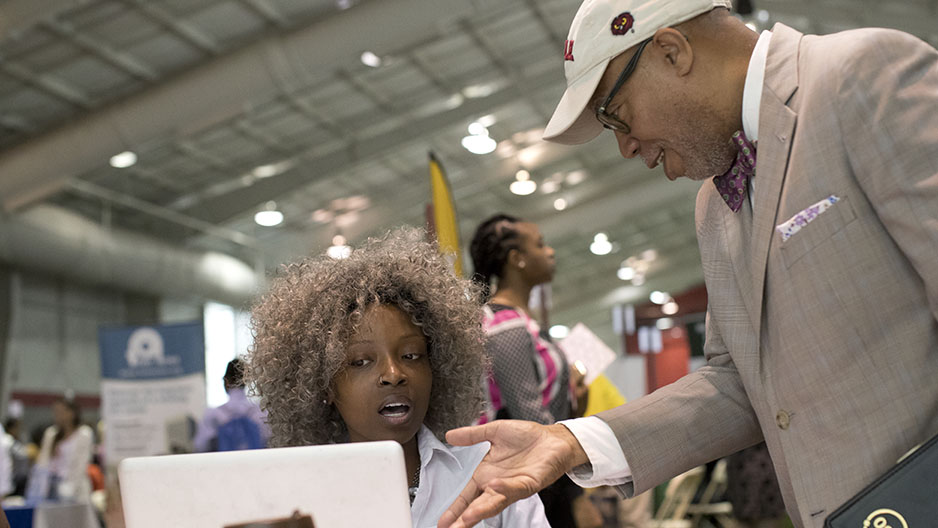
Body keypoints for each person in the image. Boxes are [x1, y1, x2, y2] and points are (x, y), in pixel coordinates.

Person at [438, 1, 938, 527]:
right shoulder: (715, 206)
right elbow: (736, 383)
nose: (626, 147)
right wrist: (571, 441)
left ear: (672, 51)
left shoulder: (861, 76)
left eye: (615, 114)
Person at [247, 227, 549, 527]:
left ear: (436, 366)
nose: (393, 375)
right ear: (324, 385)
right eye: (361, 362)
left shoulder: (489, 470)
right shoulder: (297, 500)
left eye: (411, 355)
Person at [469, 214, 597, 527]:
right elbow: (529, 418)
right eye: (540, 244)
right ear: (517, 259)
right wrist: (576, 496)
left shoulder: (523, 322)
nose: (550, 251)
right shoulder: (505, 327)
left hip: (542, 479)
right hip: (530, 485)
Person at [193, 358, 270, 452]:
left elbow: (201, 446)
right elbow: (270, 442)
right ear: (246, 381)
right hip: (256, 460)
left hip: (225, 461)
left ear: (226, 381)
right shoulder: (260, 412)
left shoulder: (213, 415)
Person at [30, 398, 94, 502]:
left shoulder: (84, 434)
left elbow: (81, 465)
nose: (58, 415)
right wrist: (39, 487)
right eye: (55, 412)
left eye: (61, 411)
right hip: (51, 486)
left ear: (72, 413)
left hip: (74, 489)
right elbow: (43, 461)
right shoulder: (51, 433)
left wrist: (68, 489)